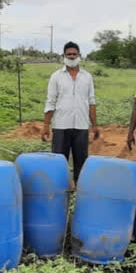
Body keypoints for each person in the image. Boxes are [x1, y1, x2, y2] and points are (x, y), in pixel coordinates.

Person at [42, 41, 99, 184]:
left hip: (81, 126)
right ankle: (59, 190)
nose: (72, 57)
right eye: (69, 54)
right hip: (61, 125)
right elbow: (50, 102)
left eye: (75, 54)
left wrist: (95, 125)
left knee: (81, 161)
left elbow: (91, 102)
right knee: (59, 163)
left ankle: (78, 191)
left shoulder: (87, 77)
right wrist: (45, 126)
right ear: (64, 56)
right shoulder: (56, 76)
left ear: (80, 55)